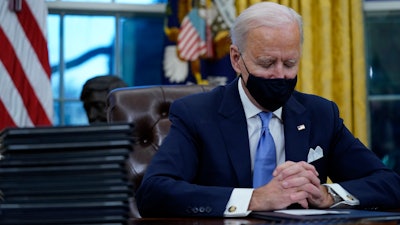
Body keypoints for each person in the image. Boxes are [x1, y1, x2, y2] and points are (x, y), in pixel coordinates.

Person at [136, 2, 400, 217]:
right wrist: (254, 198)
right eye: (267, 62)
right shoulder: (197, 114)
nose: (279, 75)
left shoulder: (321, 114)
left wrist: (327, 194)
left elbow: (389, 184)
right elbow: (154, 192)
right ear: (237, 59)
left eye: (289, 63)